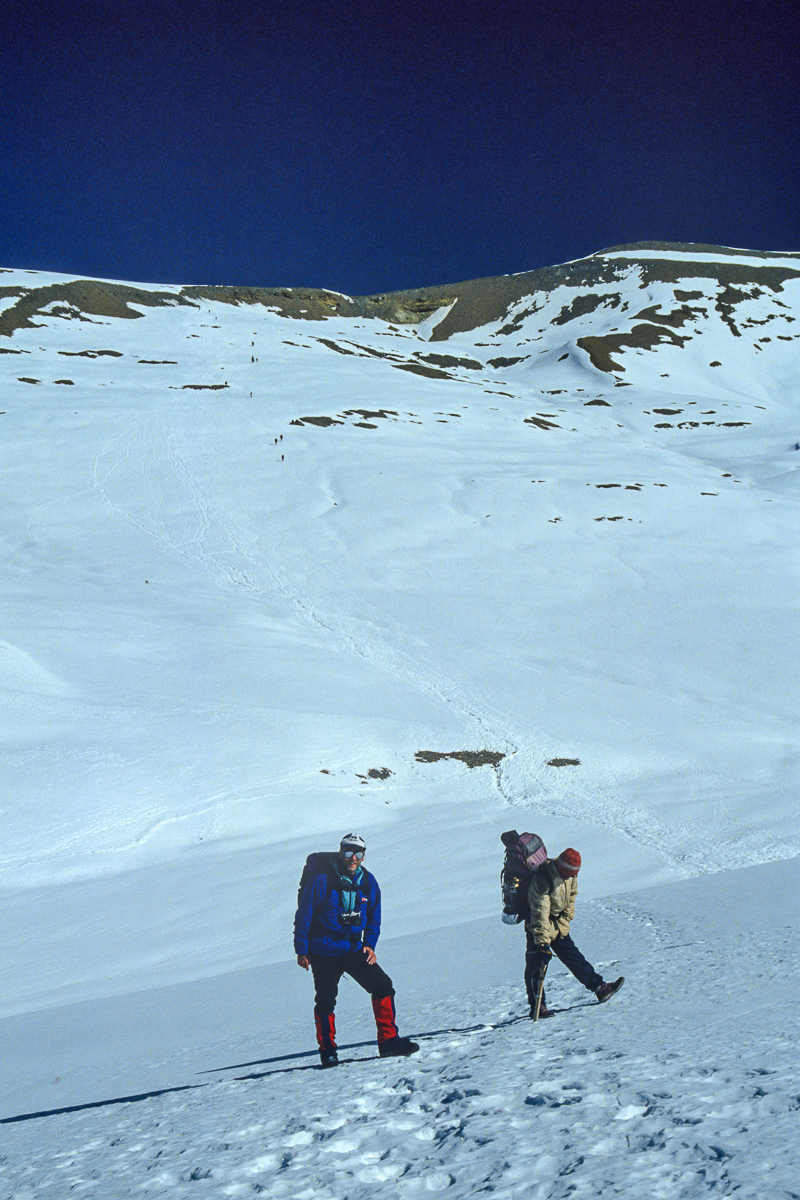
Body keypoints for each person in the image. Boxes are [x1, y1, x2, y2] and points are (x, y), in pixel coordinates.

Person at [294, 832, 420, 1066]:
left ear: (364, 856)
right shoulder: (321, 880)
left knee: (382, 986)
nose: (353, 858)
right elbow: (304, 915)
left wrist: (369, 944)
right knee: (325, 1000)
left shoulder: (367, 881)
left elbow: (374, 917)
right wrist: (302, 950)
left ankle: (389, 1042)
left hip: (353, 948)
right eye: (349, 852)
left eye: (358, 854)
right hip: (323, 951)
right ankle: (328, 1052)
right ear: (340, 853)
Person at [524, 847, 624, 1018]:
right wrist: (543, 942)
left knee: (574, 957)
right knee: (537, 965)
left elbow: (571, 897)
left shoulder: (571, 875)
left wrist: (564, 921)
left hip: (558, 924)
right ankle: (538, 1007)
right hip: (537, 926)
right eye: (568, 874)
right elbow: (540, 912)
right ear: (561, 868)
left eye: (573, 874)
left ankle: (600, 988)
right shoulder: (543, 879)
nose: (570, 877)